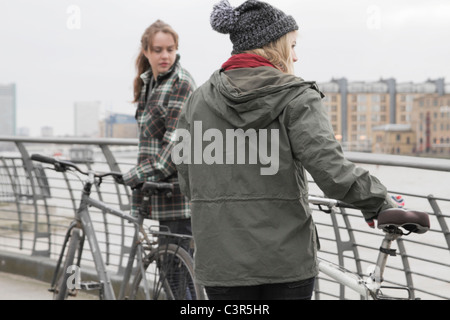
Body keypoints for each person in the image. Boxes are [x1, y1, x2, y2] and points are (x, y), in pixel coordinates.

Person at [173, 0, 395, 300]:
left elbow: (187, 177)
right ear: (273, 46)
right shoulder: (296, 96)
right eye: (291, 45)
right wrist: (377, 202)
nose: (295, 55)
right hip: (283, 261)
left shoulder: (197, 101)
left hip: (220, 261)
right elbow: (330, 168)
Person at [122, 20, 196, 242]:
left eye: (170, 50)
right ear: (146, 52)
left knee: (179, 274)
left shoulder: (180, 84)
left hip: (178, 198)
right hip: (156, 194)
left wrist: (132, 176)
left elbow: (173, 150)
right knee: (165, 272)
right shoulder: (148, 84)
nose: (165, 55)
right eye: (158, 50)